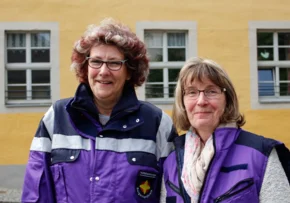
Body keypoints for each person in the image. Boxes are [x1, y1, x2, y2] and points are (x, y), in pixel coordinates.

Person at [21, 18, 175, 203]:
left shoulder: (157, 123)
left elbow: (172, 194)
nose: (103, 71)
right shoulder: (57, 117)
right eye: (96, 61)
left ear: (129, 71)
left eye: (114, 63)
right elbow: (36, 194)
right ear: (85, 68)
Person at [161, 57, 290, 203]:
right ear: (182, 101)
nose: (201, 101)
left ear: (227, 99)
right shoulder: (172, 160)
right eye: (192, 92)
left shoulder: (261, 155)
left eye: (211, 91)